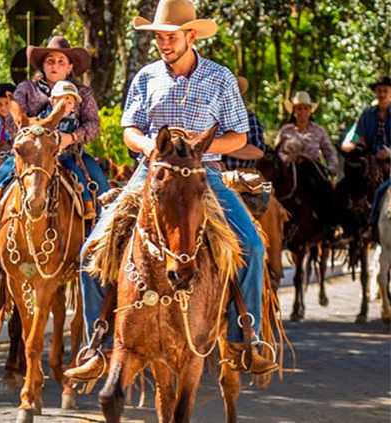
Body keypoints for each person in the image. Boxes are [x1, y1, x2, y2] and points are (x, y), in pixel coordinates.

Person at [66, 0, 277, 381]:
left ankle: (246, 338)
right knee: (91, 251)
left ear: (191, 36)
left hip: (203, 175)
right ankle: (99, 345)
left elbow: (239, 136)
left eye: (170, 37)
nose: (164, 44)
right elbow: (129, 129)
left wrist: (199, 145)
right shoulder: (146, 77)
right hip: (151, 174)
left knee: (253, 246)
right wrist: (149, 147)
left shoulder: (220, 78)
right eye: (159, 38)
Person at [0, 36, 106, 285]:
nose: (55, 65)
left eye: (61, 61)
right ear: (42, 65)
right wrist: (33, 135)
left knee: (104, 192)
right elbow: (10, 121)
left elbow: (94, 126)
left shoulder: (82, 93)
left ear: (70, 66)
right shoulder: (26, 89)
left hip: (71, 154)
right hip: (29, 156)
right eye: (50, 61)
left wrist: (70, 137)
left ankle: (100, 256)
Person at [355, 76, 391, 227]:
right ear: (375, 93)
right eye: (379, 91)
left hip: (389, 160)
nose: (382, 94)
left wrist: (388, 153)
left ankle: (372, 222)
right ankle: (340, 226)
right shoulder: (367, 114)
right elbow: (360, 139)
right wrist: (361, 150)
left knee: (381, 189)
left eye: (385, 91)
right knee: (347, 185)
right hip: (369, 158)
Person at [276, 91, 339, 176]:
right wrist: (286, 158)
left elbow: (329, 152)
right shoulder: (285, 130)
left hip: (313, 171)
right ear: (294, 111)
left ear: (310, 111)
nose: (302, 112)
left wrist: (332, 168)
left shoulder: (318, 130)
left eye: (306, 108)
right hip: (289, 172)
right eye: (299, 108)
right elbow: (276, 152)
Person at [222, 75, 268, 171]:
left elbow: (257, 152)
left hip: (242, 177)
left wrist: (217, 148)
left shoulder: (248, 118)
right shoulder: (208, 118)